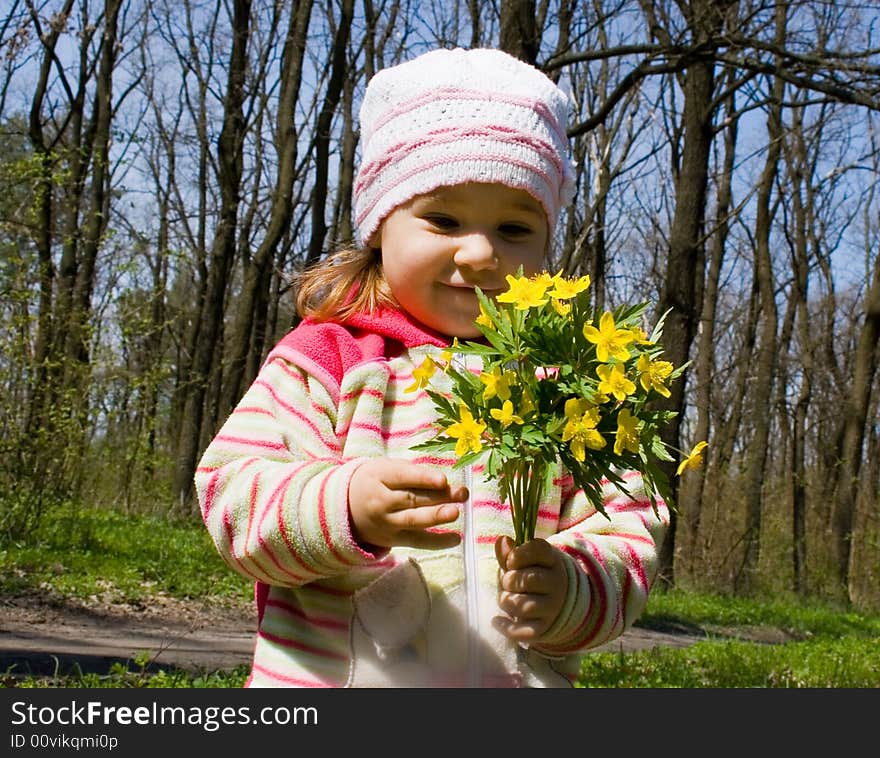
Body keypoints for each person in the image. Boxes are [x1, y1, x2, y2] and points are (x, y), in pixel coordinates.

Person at [195, 46, 669, 688]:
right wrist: (344, 506)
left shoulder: (566, 385)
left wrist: (574, 589)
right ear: (379, 227)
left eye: (514, 228)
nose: (480, 253)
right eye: (442, 219)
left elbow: (629, 525)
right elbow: (232, 496)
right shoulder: (331, 357)